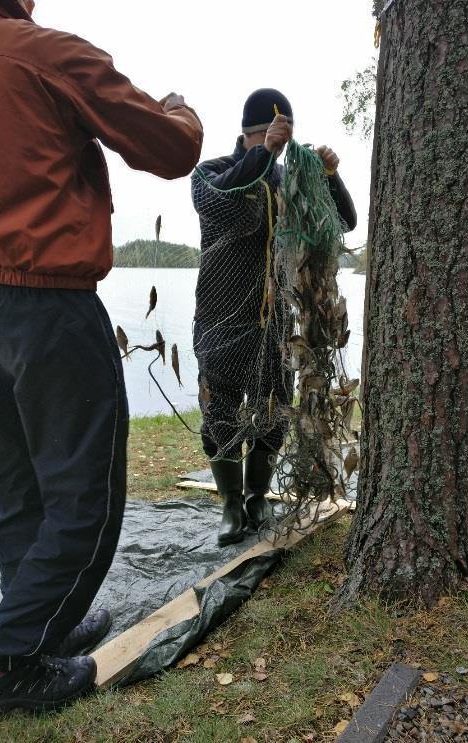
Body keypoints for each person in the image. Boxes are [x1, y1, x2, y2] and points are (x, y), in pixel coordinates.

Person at [0, 0, 203, 715]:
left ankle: (42, 624)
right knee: (86, 497)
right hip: (47, 302)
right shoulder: (41, 54)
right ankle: (8, 666)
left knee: (22, 486)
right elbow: (168, 148)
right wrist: (181, 110)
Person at [192, 88, 356, 547]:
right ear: (254, 132)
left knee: (274, 410)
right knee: (220, 411)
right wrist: (263, 156)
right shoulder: (211, 173)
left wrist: (329, 175)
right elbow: (220, 202)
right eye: (270, 135)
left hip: (276, 322)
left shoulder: (288, 179)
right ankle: (229, 506)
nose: (281, 143)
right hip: (222, 316)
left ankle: (257, 495)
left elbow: (343, 221)